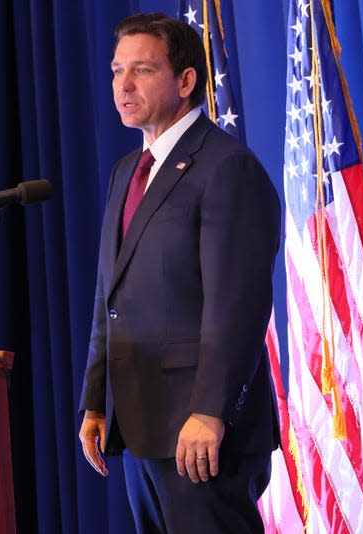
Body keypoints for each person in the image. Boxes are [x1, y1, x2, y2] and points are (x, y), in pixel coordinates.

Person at [78, 12, 282, 533]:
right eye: (116, 70)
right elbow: (111, 295)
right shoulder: (128, 172)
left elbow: (236, 306)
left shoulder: (225, 168)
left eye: (142, 70)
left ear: (186, 81)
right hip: (138, 421)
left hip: (200, 431)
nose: (123, 85)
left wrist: (211, 411)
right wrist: (96, 401)